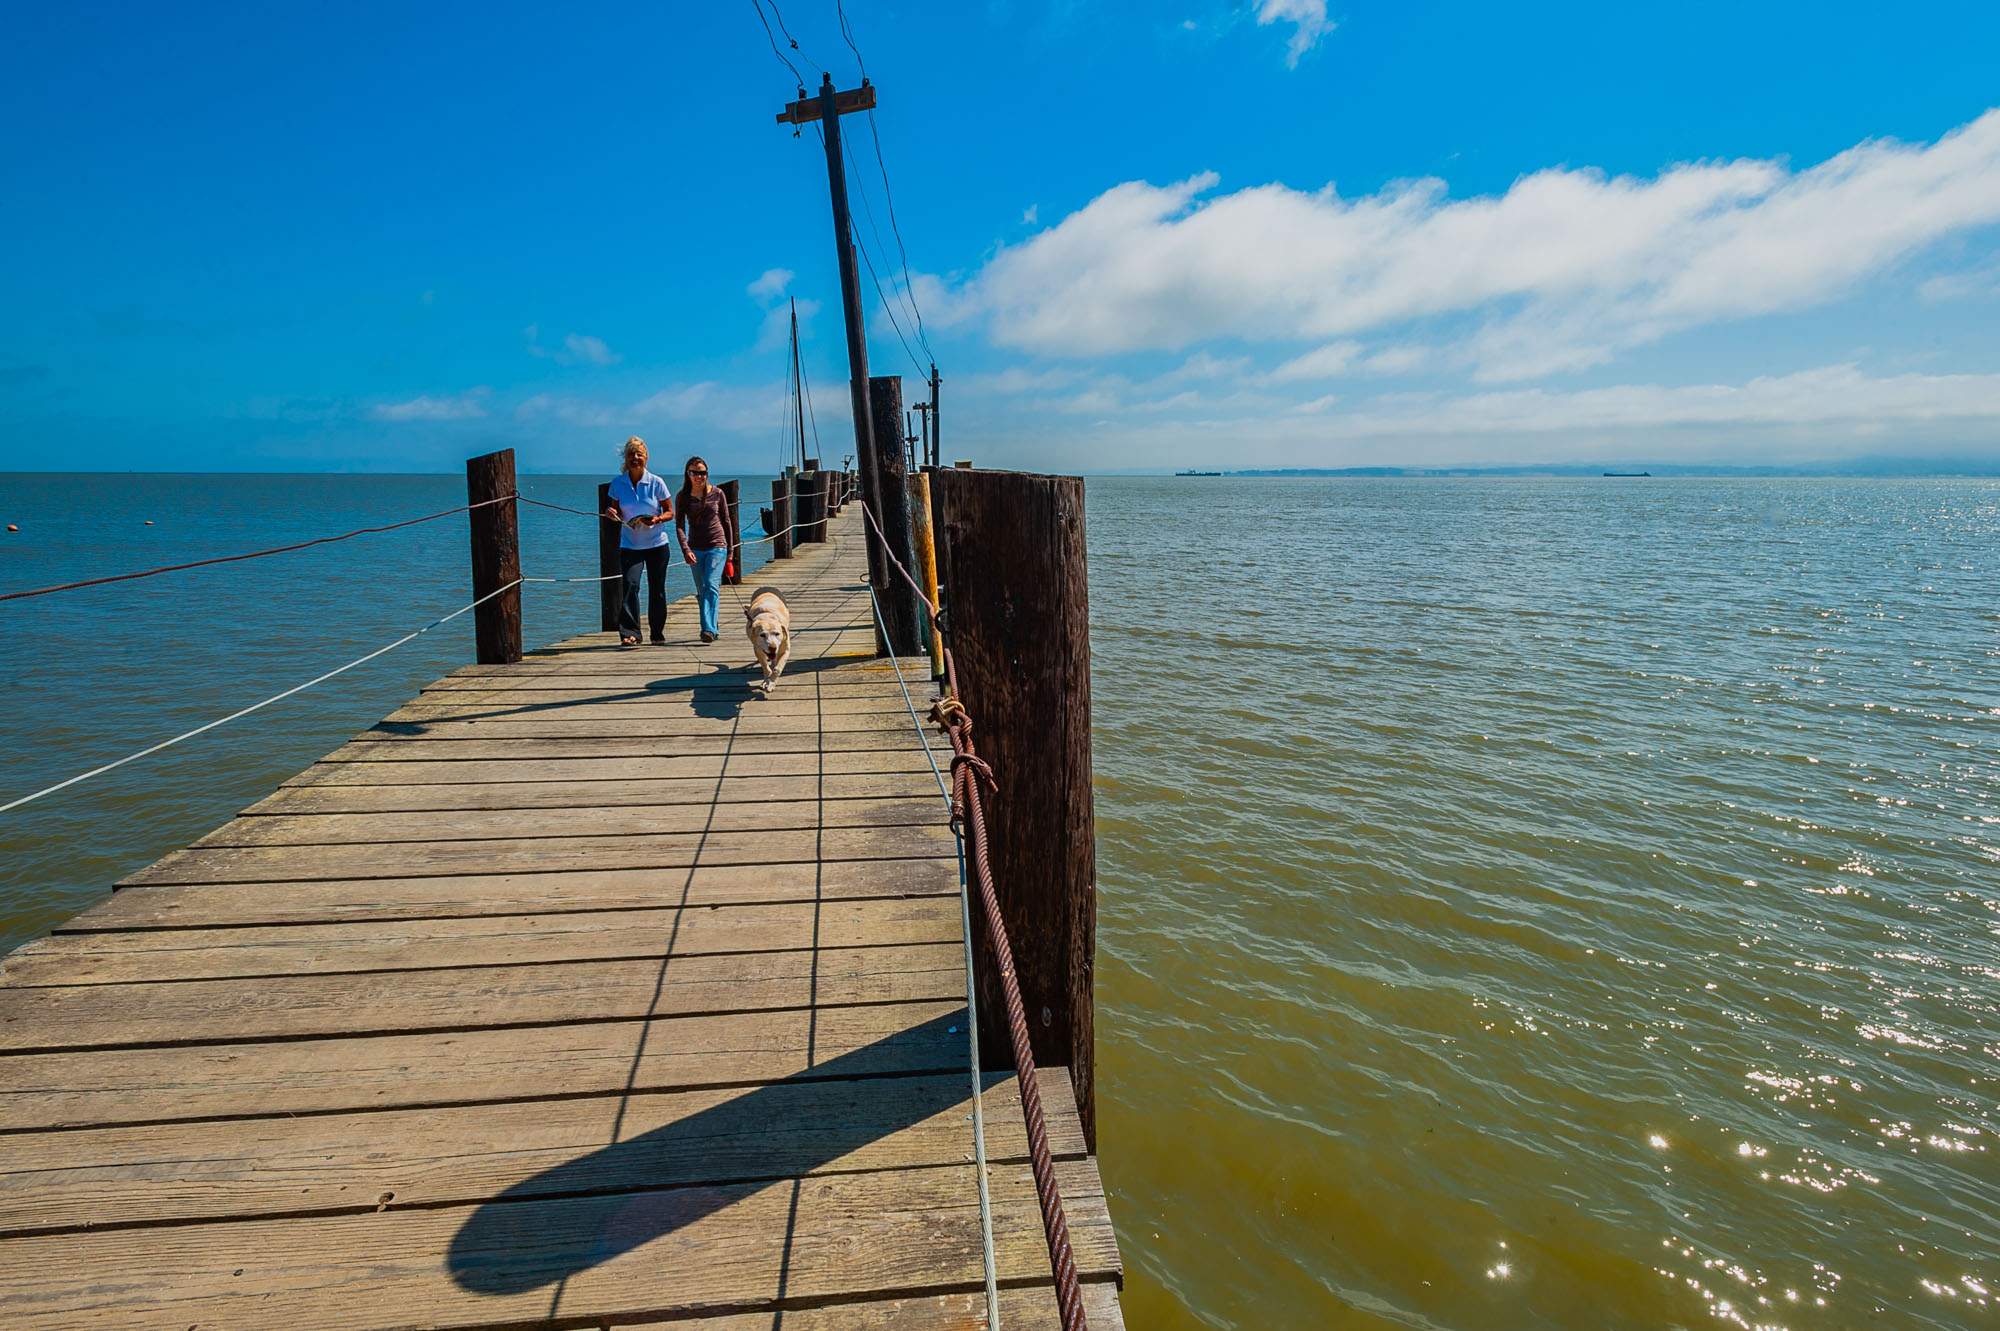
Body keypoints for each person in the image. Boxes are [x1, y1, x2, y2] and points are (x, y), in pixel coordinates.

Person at [602, 437, 674, 647]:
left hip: (657, 543)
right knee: (630, 586)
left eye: (639, 454)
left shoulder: (656, 482)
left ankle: (657, 633)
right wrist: (610, 512)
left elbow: (670, 512)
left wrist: (657, 519)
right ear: (625, 458)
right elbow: (614, 509)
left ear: (646, 458)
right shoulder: (618, 483)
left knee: (657, 588)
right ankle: (630, 633)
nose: (635, 458)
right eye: (631, 454)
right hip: (630, 544)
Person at [674, 454, 734, 643]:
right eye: (694, 473)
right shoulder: (682, 497)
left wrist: (730, 552)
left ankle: (707, 629)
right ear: (687, 474)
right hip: (695, 549)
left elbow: (726, 521)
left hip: (717, 546)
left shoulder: (718, 493)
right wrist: (685, 549)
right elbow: (679, 525)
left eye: (702, 472)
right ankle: (713, 628)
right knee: (702, 591)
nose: (698, 476)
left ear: (707, 474)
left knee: (710, 585)